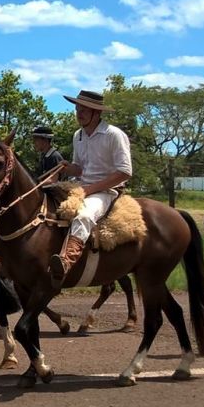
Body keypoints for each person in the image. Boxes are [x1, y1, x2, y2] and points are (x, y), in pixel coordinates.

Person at [50, 90, 132, 288]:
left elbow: (125, 171)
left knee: (84, 215)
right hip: (81, 187)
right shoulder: (78, 136)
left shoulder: (114, 134)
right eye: (78, 109)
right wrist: (69, 168)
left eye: (84, 110)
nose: (79, 113)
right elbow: (80, 168)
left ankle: (67, 261)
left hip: (107, 191)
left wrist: (90, 189)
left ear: (97, 113)